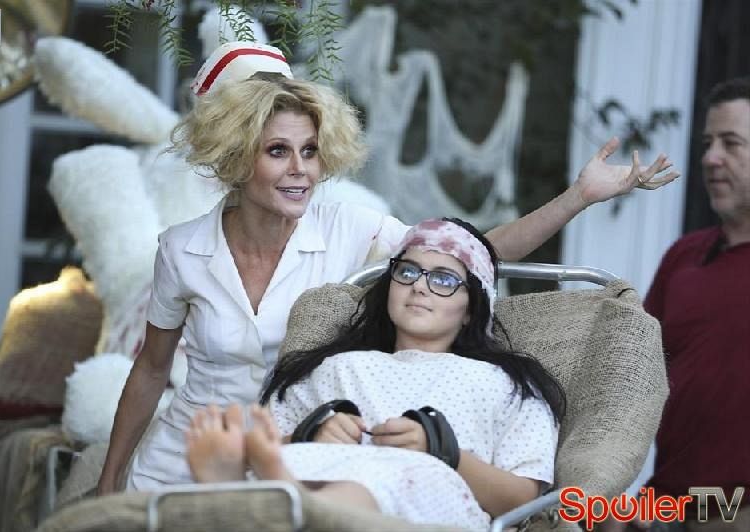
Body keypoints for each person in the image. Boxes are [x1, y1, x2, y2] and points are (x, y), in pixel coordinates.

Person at [97, 41, 678, 495]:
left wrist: (577, 198)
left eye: (310, 150)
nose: (301, 169)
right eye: (278, 151)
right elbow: (150, 370)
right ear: (235, 158)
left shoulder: (351, 227)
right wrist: (109, 478)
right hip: (182, 456)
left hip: (297, 459)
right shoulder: (181, 248)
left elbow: (466, 253)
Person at [186, 218, 565, 531]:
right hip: (322, 469)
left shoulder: (505, 383)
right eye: (408, 271)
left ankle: (275, 499)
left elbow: (523, 499)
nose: (419, 286)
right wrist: (309, 434)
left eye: (444, 279)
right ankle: (274, 491)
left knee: (393, 477)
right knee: (296, 460)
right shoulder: (335, 366)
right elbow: (271, 441)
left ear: (471, 309)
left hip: (430, 492)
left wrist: (444, 452)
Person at [633, 77, 750, 531]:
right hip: (669, 510)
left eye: (731, 143)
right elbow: (631, 381)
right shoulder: (684, 258)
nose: (710, 158)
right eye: (707, 144)